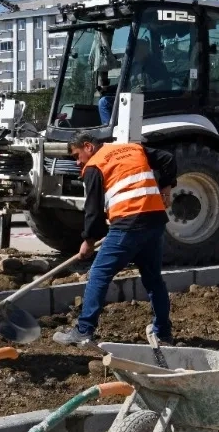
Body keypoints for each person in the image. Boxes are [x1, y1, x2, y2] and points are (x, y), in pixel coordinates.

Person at [52, 133, 175, 348]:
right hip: (155, 221)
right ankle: (163, 333)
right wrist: (166, 186)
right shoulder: (133, 149)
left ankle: (83, 331)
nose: (77, 162)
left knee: (99, 274)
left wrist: (88, 241)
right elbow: (168, 159)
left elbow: (93, 209)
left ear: (88, 147)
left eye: (77, 155)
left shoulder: (95, 165)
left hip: (128, 224)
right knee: (153, 279)